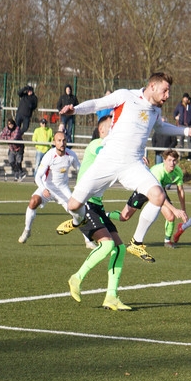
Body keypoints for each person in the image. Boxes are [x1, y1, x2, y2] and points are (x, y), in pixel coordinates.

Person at [56, 72, 191, 263]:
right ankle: (78, 221)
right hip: (108, 160)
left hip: (133, 164)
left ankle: (136, 242)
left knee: (158, 196)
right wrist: (74, 110)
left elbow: (160, 128)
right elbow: (96, 104)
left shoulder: (156, 110)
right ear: (152, 86)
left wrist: (187, 131)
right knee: (73, 206)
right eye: (165, 90)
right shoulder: (126, 96)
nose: (167, 96)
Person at [66, 114, 133, 311]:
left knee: (119, 249)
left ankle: (111, 296)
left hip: (97, 206)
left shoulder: (112, 150)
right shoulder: (96, 144)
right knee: (107, 245)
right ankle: (76, 278)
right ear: (102, 130)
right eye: (112, 127)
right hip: (84, 203)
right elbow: (108, 152)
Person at [19, 131, 83, 244]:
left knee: (78, 212)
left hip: (63, 189)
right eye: (59, 140)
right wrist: (43, 189)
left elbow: (81, 170)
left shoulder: (71, 155)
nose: (62, 143)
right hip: (47, 187)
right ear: (54, 142)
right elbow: (38, 176)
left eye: (64, 140)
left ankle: (88, 241)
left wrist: (81, 185)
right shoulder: (49, 155)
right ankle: (27, 230)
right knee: (33, 201)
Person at [117, 150, 188, 248]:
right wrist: (175, 209)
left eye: (174, 160)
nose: (172, 163)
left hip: (159, 191)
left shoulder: (178, 172)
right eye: (169, 160)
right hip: (145, 188)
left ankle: (167, 242)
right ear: (164, 160)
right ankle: (106, 215)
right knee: (124, 217)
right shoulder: (158, 171)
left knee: (170, 216)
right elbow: (157, 194)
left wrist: (183, 209)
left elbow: (180, 191)